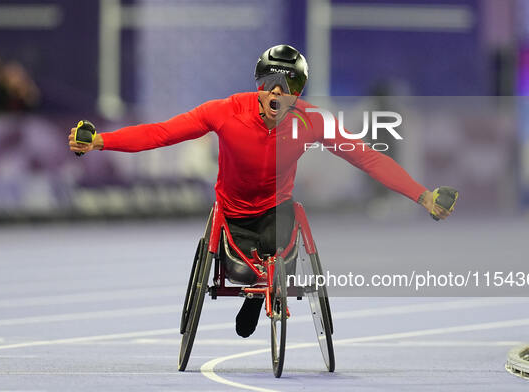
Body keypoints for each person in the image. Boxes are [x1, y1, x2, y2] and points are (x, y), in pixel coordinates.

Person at [68, 45, 454, 338]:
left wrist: (423, 196)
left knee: (277, 244)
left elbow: (368, 158)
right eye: (270, 82)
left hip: (276, 211)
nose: (277, 92)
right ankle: (255, 289)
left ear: (298, 92)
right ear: (258, 85)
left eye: (288, 86)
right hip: (231, 213)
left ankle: (260, 292)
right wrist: (101, 140)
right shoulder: (224, 111)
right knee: (247, 260)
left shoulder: (312, 121)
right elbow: (161, 133)